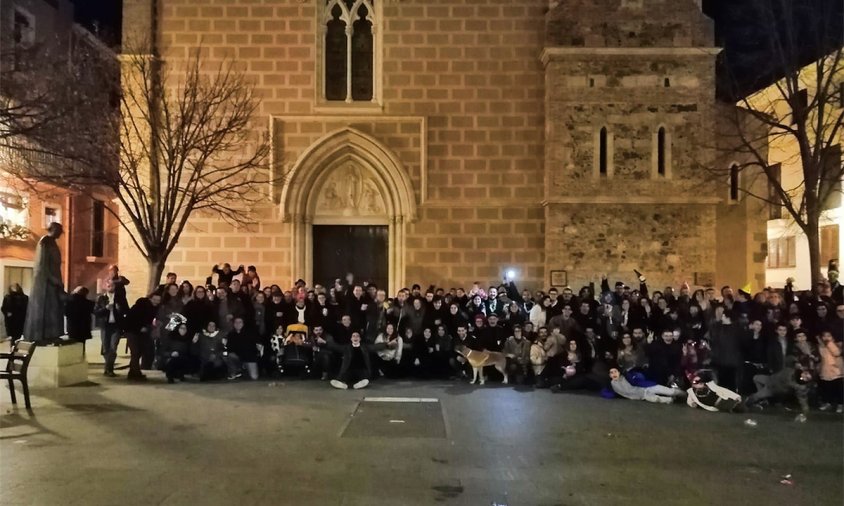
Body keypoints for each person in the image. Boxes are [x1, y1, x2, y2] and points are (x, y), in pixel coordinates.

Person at [23, 222, 65, 344]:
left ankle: (51, 334)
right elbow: (42, 265)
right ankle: (41, 336)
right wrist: (53, 279)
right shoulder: (45, 242)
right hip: (45, 283)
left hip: (53, 282)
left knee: (53, 309)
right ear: (54, 229)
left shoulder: (52, 243)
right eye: (59, 230)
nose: (60, 234)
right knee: (46, 309)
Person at [125, 292, 161, 381]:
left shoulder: (154, 308)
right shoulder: (142, 305)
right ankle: (136, 374)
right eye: (155, 300)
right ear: (150, 298)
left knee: (138, 352)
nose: (156, 302)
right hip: (132, 330)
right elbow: (132, 318)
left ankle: (133, 372)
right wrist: (140, 327)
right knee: (135, 352)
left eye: (158, 300)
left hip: (140, 332)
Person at [608, 367, 686, 404]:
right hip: (643, 396)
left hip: (648, 387)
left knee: (670, 392)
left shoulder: (627, 376)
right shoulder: (613, 384)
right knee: (660, 399)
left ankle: (686, 395)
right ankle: (674, 399)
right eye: (611, 373)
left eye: (615, 371)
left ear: (619, 372)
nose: (614, 374)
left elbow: (636, 381)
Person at [95, 281, 124, 377]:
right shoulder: (101, 298)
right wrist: (106, 308)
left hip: (116, 326)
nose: (110, 287)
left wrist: (120, 309)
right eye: (108, 286)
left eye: (112, 285)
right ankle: (108, 368)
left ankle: (109, 369)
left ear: (114, 286)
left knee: (113, 347)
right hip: (105, 326)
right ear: (105, 287)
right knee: (105, 348)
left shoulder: (120, 298)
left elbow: (126, 310)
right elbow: (96, 312)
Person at [816, 330, 844, 413]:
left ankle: (840, 404)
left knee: (839, 388)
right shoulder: (821, 346)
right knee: (827, 388)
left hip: (836, 371)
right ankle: (827, 402)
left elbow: (837, 353)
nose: (826, 338)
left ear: (833, 338)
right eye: (824, 336)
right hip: (825, 371)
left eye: (829, 336)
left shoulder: (835, 345)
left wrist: (829, 344)